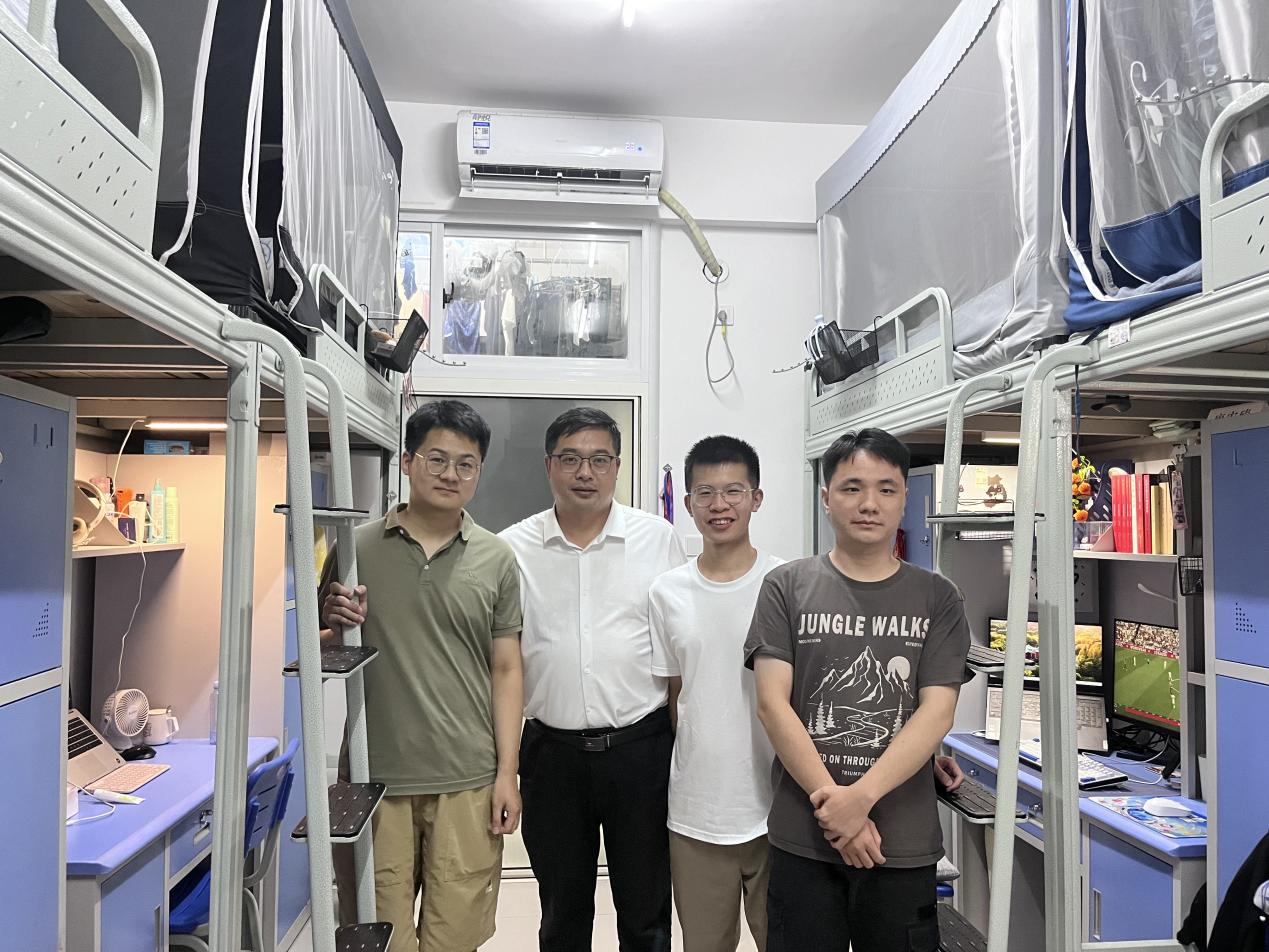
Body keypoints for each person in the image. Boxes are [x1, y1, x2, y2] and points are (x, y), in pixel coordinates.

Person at [744, 428, 971, 952]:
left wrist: (858, 801)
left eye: (886, 489)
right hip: (805, 838)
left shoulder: (938, 597)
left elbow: (937, 712)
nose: (869, 503)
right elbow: (772, 705)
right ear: (826, 498)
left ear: (904, 498)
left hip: (901, 842)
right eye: (852, 488)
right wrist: (835, 809)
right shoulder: (786, 587)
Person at [321, 399, 524, 952]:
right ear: (408, 461)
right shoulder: (356, 547)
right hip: (376, 776)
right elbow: (318, 646)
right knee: (378, 933)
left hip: (468, 777)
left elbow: (507, 668)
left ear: (478, 472)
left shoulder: (497, 558)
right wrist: (338, 627)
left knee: (454, 937)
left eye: (466, 464)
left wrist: (508, 773)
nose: (451, 474)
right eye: (437, 459)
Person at [500, 407, 686, 952]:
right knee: (562, 911)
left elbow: (678, 652)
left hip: (641, 751)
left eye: (600, 460)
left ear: (617, 467)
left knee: (646, 911)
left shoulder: (657, 539)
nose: (586, 472)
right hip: (550, 756)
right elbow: (501, 661)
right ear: (549, 465)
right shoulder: (511, 548)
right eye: (571, 459)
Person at [649, 435, 782, 952]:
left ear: (757, 498)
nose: (719, 505)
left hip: (779, 810)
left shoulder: (786, 583)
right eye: (705, 493)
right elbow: (676, 696)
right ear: (687, 504)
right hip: (697, 811)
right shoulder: (667, 593)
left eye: (733, 491)